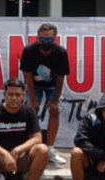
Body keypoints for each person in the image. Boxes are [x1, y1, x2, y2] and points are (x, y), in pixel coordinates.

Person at [20, 22, 70, 164]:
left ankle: (49, 150)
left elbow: (61, 78)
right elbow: (27, 76)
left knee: (55, 111)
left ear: (55, 39)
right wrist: (33, 99)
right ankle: (30, 148)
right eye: (42, 39)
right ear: (37, 38)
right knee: (30, 110)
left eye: (49, 40)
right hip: (33, 85)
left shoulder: (61, 52)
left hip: (53, 85)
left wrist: (54, 101)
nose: (45, 42)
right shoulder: (29, 50)